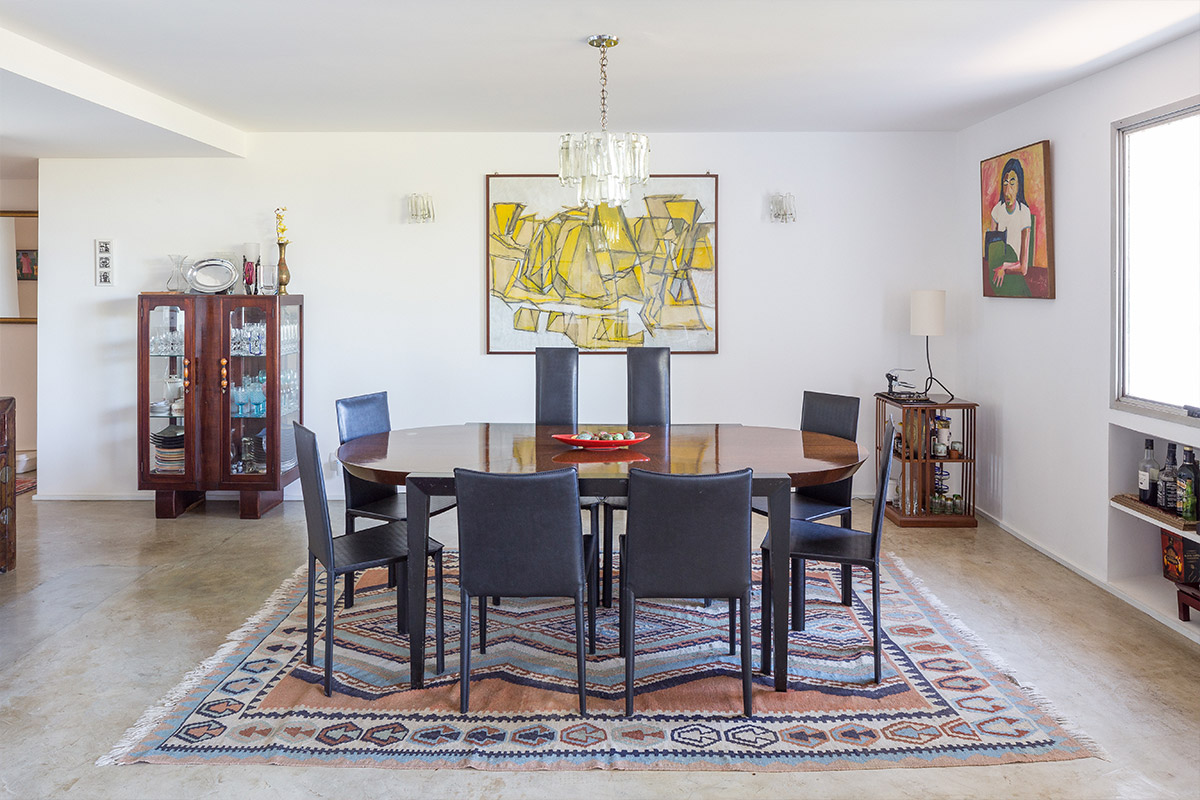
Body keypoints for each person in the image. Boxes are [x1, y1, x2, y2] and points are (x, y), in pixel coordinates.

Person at [986, 157, 1032, 295]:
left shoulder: (1024, 212)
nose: (1007, 190)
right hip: (996, 273)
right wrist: (999, 267)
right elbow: (991, 254)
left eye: (1012, 183)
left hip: (1013, 272)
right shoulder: (997, 210)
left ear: (1019, 186)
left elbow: (1023, 268)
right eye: (1005, 183)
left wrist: (1005, 268)